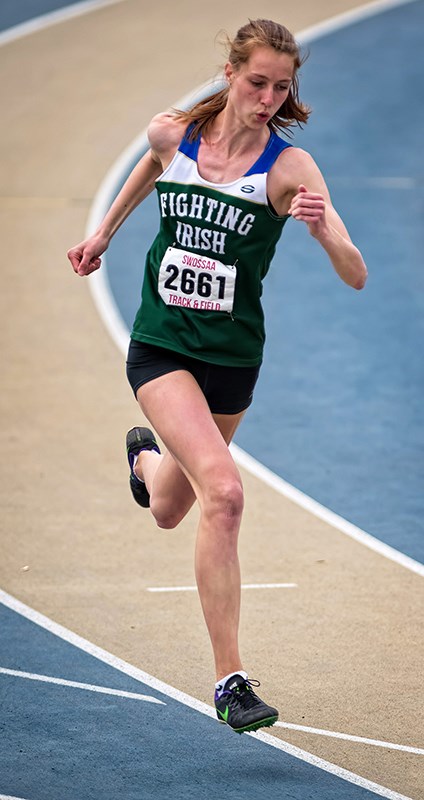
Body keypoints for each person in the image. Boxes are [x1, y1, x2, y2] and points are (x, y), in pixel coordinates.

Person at [67, 18, 367, 734]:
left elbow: (356, 274)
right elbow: (150, 160)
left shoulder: (289, 169)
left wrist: (325, 233)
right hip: (163, 346)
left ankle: (145, 459)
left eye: (281, 88)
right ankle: (230, 681)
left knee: (172, 506)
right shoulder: (175, 133)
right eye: (257, 82)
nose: (267, 98)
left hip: (232, 359)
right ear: (230, 74)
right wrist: (104, 233)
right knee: (224, 494)